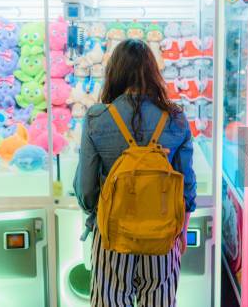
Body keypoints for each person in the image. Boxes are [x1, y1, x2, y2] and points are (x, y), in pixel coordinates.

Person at [74, 38, 196, 307]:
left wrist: (97, 217)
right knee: (159, 299)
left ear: (114, 72)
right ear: (153, 71)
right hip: (163, 234)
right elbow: (187, 184)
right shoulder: (175, 118)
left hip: (112, 233)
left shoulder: (97, 117)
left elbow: (85, 189)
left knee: (111, 300)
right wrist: (182, 229)